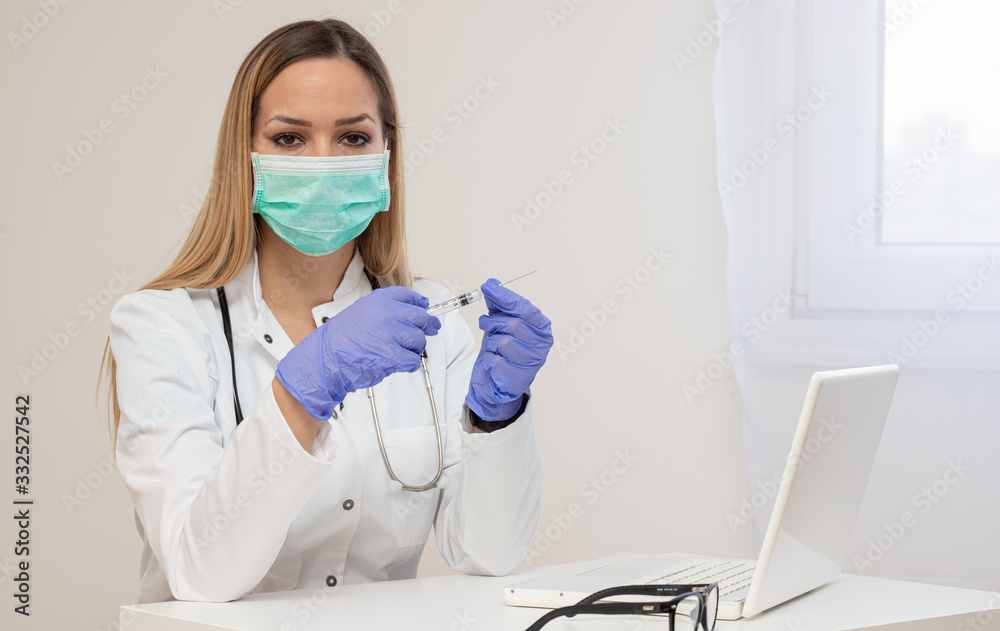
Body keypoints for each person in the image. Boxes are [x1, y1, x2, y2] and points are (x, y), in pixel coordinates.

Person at [100, 18, 552, 604]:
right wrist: (301, 392)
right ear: (247, 155)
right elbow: (199, 572)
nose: (322, 162)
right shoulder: (161, 325)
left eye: (352, 138)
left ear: (386, 155)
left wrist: (497, 419)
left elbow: (489, 552)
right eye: (290, 138)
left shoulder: (431, 325)